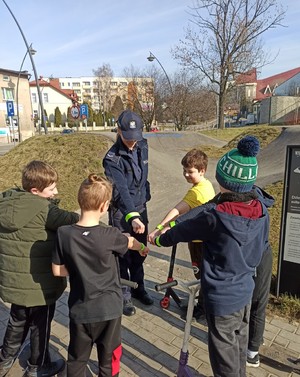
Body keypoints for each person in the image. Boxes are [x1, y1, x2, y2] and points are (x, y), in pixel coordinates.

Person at [150, 136, 270, 377]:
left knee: (223, 360)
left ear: (222, 180)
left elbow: (184, 229)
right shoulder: (260, 207)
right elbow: (209, 206)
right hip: (245, 291)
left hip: (222, 300)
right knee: (237, 349)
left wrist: (160, 237)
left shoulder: (215, 217)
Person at [52, 173, 149, 377]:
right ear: (105, 206)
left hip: (80, 309)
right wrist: (141, 247)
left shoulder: (63, 233)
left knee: (77, 360)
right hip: (110, 310)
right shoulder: (111, 235)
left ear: (79, 200)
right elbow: (130, 242)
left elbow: (57, 270)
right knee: (108, 360)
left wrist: (80, 267)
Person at [0, 160, 79, 377]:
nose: (56, 192)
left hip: (16, 285)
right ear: (35, 190)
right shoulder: (45, 210)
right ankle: (37, 366)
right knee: (40, 327)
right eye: (51, 188)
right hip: (40, 286)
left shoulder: (6, 203)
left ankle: (4, 360)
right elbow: (78, 220)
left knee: (16, 321)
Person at [148, 148, 215, 319]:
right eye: (184, 170)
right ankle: (204, 303)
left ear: (202, 170)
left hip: (199, 242)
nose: (186, 175)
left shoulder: (197, 191)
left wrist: (158, 228)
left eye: (190, 171)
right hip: (207, 239)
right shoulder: (206, 184)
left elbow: (177, 211)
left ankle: (202, 309)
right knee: (204, 273)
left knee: (200, 273)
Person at [103, 110, 152, 317]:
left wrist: (144, 198)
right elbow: (121, 190)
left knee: (139, 252)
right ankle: (124, 295)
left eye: (135, 137)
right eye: (127, 138)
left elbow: (143, 176)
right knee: (122, 254)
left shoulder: (143, 145)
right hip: (122, 213)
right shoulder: (112, 159)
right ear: (118, 131)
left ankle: (139, 288)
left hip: (141, 207)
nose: (132, 142)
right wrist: (132, 216)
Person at [247, 186, 274, 368]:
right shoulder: (257, 196)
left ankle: (252, 352)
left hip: (257, 256)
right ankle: (256, 337)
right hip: (262, 253)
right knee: (257, 302)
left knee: (256, 302)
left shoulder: (250, 202)